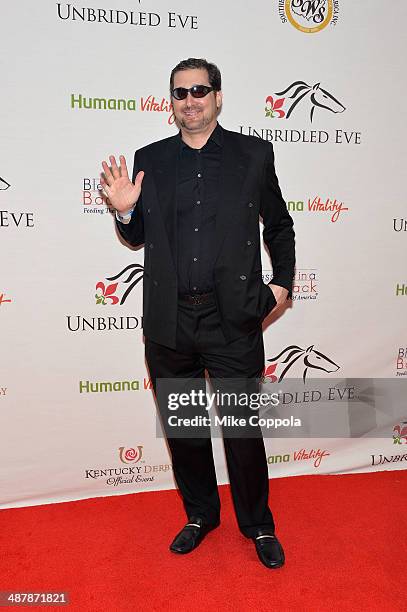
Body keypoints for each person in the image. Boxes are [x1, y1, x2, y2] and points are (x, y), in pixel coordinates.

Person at [100, 58, 295, 569]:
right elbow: (136, 236)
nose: (191, 100)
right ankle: (200, 515)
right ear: (171, 101)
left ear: (218, 97)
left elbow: (280, 226)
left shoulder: (253, 155)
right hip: (170, 320)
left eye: (200, 90)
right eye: (180, 92)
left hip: (231, 319)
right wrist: (125, 209)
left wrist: (282, 286)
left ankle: (257, 524)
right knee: (183, 426)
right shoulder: (151, 160)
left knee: (241, 432)